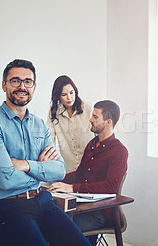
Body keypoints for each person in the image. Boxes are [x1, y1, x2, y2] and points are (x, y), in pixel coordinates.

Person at [0, 59, 97, 246]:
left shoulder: (39, 124)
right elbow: (5, 180)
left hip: (42, 200)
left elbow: (59, 170)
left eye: (28, 82)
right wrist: (41, 168)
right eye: (15, 81)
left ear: (34, 87)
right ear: (4, 85)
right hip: (8, 206)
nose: (22, 86)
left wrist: (26, 164)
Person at [49, 100, 128, 234]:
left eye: (95, 117)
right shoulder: (92, 144)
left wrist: (72, 188)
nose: (90, 119)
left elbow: (110, 187)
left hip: (99, 214)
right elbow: (80, 174)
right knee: (47, 218)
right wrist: (56, 179)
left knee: (58, 228)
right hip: (82, 206)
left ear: (108, 122)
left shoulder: (119, 151)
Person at [46, 75, 93, 173]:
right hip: (69, 170)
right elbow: (50, 140)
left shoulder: (88, 107)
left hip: (91, 166)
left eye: (72, 93)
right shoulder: (53, 112)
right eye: (64, 95)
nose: (69, 98)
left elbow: (100, 136)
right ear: (58, 96)